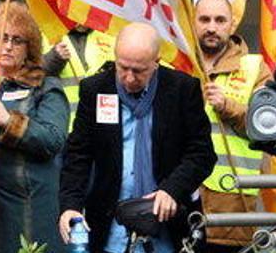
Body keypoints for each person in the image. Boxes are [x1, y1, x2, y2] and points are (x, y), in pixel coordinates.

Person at [58, 22, 216, 253]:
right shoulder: (96, 90)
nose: (129, 78)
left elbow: (202, 153)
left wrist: (172, 189)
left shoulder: (182, 89)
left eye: (139, 71)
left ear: (156, 63)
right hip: (110, 225)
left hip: (168, 227)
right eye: (123, 68)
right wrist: (70, 206)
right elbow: (78, 154)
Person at [0, 1, 69, 253]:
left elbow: (53, 139)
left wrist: (8, 120)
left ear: (29, 47)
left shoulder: (45, 86)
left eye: (16, 40)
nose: (7, 46)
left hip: (28, 211)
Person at [194, 0, 272, 251]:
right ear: (193, 22)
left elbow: (270, 131)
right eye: (204, 19)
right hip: (177, 197)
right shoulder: (177, 61)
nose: (212, 27)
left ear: (232, 24)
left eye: (220, 20)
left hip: (230, 201)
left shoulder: (254, 68)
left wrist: (228, 106)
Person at [42, 25, 114, 129]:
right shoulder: (47, 35)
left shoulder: (109, 35)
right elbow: (32, 75)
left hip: (102, 123)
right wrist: (53, 58)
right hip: (63, 124)